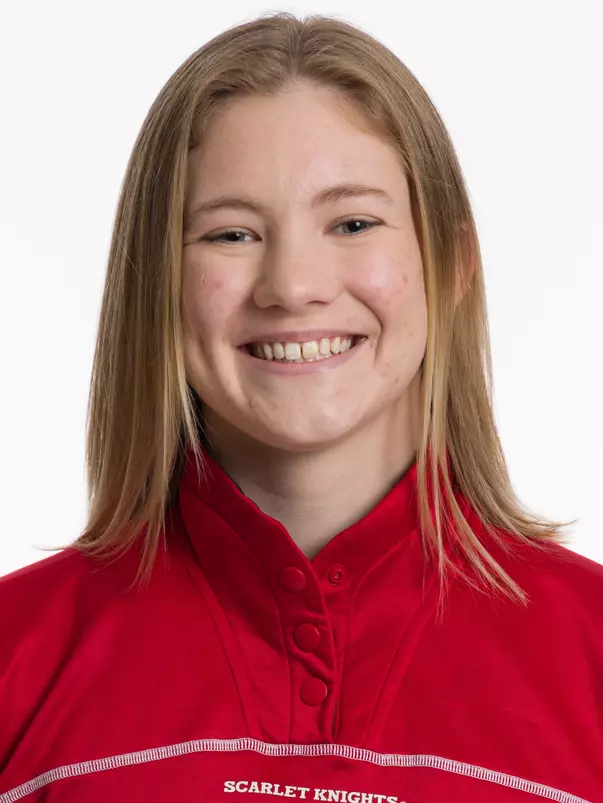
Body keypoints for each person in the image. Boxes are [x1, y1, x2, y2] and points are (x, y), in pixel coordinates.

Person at [0, 11, 601, 803]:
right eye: (231, 234)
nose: (291, 286)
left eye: (352, 223)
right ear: (156, 281)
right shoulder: (16, 657)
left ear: (451, 263)